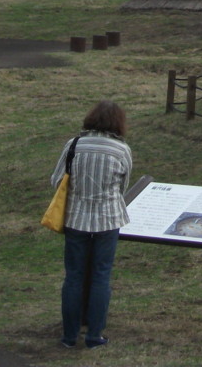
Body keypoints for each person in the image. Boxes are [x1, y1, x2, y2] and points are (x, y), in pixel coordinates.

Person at [50, 100, 132, 350]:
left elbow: (56, 180)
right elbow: (123, 185)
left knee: (73, 276)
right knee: (101, 276)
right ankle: (95, 335)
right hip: (108, 220)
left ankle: (69, 335)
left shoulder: (74, 144)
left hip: (76, 218)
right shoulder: (121, 149)